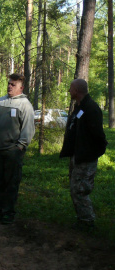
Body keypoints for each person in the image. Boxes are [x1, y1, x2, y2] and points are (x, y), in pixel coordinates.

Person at [0, 73, 35, 224]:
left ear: (21, 87)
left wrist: (20, 147)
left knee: (11, 183)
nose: (9, 86)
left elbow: (28, 129)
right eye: (9, 83)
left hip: (13, 151)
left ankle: (8, 213)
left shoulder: (25, 105)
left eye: (13, 84)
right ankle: (0, 211)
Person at [60, 79, 107, 231]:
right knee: (75, 188)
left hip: (85, 158)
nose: (69, 91)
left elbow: (98, 136)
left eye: (71, 88)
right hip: (77, 156)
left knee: (80, 190)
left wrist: (91, 154)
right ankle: (82, 219)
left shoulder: (91, 108)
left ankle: (87, 221)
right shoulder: (80, 107)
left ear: (77, 90)